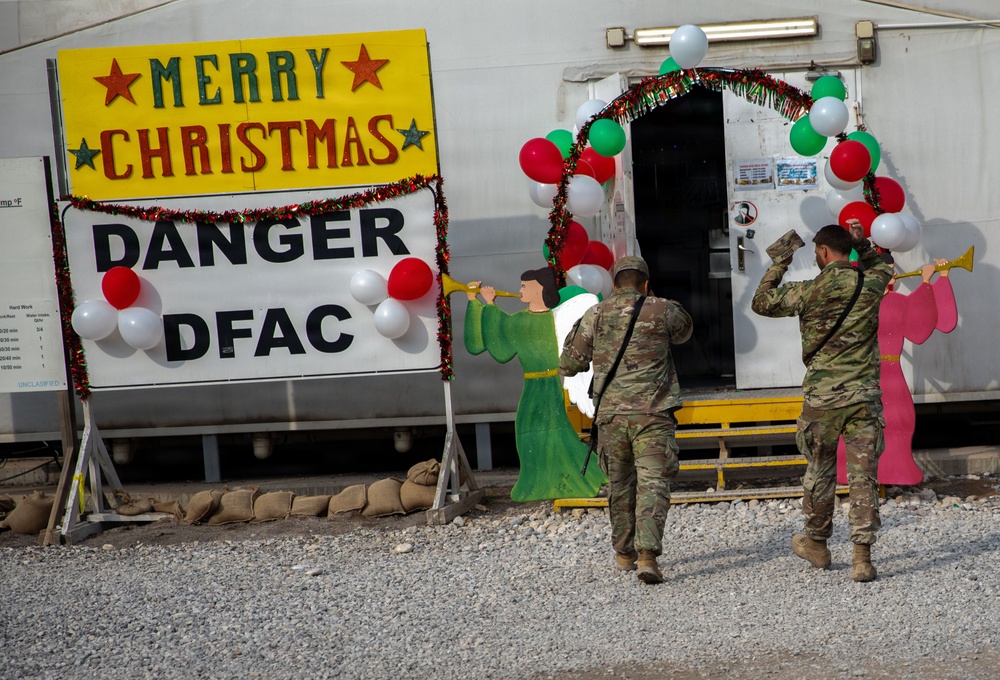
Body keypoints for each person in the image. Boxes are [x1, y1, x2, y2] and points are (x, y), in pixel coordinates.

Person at [751, 219, 893, 582]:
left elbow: (761, 302)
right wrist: (862, 244)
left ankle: (816, 543)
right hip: (863, 397)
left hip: (823, 399)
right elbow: (882, 268)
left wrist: (780, 262)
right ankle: (862, 558)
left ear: (824, 252)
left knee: (820, 470)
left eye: (816, 251)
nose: (815, 256)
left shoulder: (809, 290)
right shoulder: (870, 283)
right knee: (863, 475)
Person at [558, 256, 693, 584]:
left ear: (614, 285)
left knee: (620, 485)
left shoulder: (595, 314)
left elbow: (569, 364)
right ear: (646, 284)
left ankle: (624, 553)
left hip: (612, 417)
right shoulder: (663, 309)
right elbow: (684, 333)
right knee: (653, 483)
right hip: (653, 415)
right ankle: (648, 556)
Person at [464, 267, 607, 501]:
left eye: (524, 286)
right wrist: (479, 301)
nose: (520, 290)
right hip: (538, 386)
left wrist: (485, 304)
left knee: (536, 432)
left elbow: (499, 345)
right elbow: (500, 341)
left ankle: (556, 480)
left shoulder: (543, 319)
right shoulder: (529, 318)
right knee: (541, 432)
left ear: (539, 289)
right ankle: (564, 476)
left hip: (542, 387)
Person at [836, 256, 958, 485]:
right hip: (873, 372)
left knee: (897, 419)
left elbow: (926, 325)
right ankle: (857, 471)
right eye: (887, 270)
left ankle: (889, 470)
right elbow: (920, 327)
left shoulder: (868, 301)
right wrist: (927, 283)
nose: (893, 275)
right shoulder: (870, 301)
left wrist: (940, 278)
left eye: (892, 270)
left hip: (876, 371)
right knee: (869, 420)